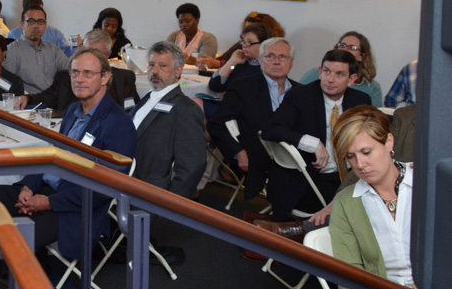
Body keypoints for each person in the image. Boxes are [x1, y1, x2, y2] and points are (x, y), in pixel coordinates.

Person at [0, 49, 137, 289]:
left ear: (105, 78)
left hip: (73, 208)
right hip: (44, 191)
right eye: (74, 72)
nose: (79, 79)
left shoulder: (119, 124)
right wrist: (29, 186)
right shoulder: (72, 111)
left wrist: (48, 203)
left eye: (87, 73)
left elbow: (105, 189)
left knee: (11, 232)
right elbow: (50, 156)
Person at [326, 107, 450, 289]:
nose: (360, 164)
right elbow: (347, 271)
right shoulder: (346, 202)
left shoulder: (428, 183)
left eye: (366, 152)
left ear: (389, 141)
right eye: (351, 157)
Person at [261, 49, 371, 221]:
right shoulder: (300, 96)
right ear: (320, 72)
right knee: (350, 210)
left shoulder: (360, 101)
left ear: (352, 79)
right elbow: (270, 129)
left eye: (339, 74)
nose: (330, 79)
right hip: (309, 179)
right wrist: (312, 143)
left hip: (349, 176)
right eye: (327, 71)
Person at [207, 37, 296, 202]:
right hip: (261, 157)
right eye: (270, 56)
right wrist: (238, 153)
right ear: (261, 61)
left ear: (291, 63)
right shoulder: (244, 87)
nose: (276, 62)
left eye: (282, 57)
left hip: (297, 157)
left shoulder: (300, 93)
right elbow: (216, 124)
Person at [127, 41, 206, 198]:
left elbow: (192, 166)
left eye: (162, 66)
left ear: (178, 71)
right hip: (127, 184)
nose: (154, 71)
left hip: (153, 194)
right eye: (151, 65)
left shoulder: (187, 110)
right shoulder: (148, 97)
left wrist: (171, 201)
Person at [29, 29, 140, 113]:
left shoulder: (124, 77)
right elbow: (46, 98)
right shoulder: (65, 77)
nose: (91, 58)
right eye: (88, 51)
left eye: (97, 54)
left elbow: (133, 109)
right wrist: (27, 98)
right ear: (81, 49)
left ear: (108, 55)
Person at [299, 31, 383, 106]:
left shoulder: (372, 87)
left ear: (361, 56)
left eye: (352, 47)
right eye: (342, 45)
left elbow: (373, 118)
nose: (345, 49)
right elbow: (298, 98)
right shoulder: (315, 74)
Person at [2, 6, 70, 94]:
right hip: (29, 102)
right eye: (31, 21)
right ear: (22, 24)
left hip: (54, 100)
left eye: (40, 22)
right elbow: (6, 83)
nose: (36, 26)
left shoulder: (53, 49)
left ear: (45, 25)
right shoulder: (12, 50)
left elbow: (70, 71)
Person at [206, 22, 271, 92]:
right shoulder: (240, 63)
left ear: (263, 44)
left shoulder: (268, 68)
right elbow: (214, 86)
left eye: (249, 42)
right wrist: (231, 62)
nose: (244, 45)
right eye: (243, 41)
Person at [210, 11, 286, 67]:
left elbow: (236, 69)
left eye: (252, 29)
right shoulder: (243, 43)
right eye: (246, 28)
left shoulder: (271, 59)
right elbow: (226, 63)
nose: (246, 32)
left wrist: (221, 64)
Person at [5, 0, 73, 56]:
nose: (36, 25)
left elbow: (68, 56)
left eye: (40, 10)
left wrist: (75, 46)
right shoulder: (12, 36)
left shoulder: (55, 34)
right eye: (31, 21)